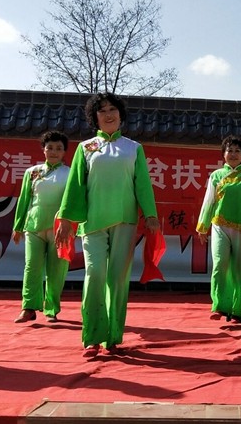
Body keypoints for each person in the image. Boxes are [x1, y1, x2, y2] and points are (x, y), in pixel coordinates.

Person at [55, 93, 160, 359]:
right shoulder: (86, 148)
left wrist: (150, 214)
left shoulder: (133, 148)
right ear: (95, 117)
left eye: (112, 109)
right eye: (102, 111)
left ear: (120, 114)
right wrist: (66, 219)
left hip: (125, 220)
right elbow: (75, 185)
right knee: (95, 275)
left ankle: (112, 336)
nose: (108, 114)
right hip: (92, 222)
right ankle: (92, 336)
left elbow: (142, 184)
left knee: (118, 279)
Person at [195, 135, 241, 323]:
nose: (233, 154)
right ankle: (220, 305)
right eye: (229, 150)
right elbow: (209, 201)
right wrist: (203, 226)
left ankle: (238, 310)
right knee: (220, 264)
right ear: (223, 154)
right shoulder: (216, 176)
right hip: (219, 226)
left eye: (237, 151)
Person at [12, 131, 71, 324]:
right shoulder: (32, 172)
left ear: (64, 152)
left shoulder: (71, 174)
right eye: (50, 148)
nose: (54, 152)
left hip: (60, 229)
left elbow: (75, 202)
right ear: (43, 150)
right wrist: (18, 226)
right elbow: (24, 200)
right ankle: (28, 308)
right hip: (34, 226)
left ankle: (51, 309)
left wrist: (74, 227)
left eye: (59, 148)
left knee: (56, 270)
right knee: (32, 267)